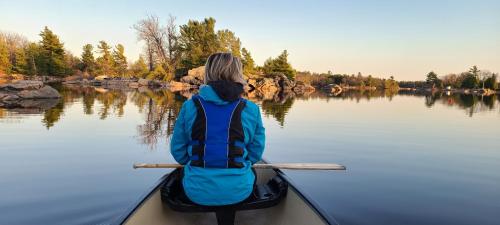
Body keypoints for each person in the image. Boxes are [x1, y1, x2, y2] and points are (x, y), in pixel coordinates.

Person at [170, 52, 265, 224]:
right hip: (239, 191)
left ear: (208, 72)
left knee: (184, 175)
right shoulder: (252, 109)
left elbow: (178, 152)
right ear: (238, 74)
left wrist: (193, 162)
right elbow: (255, 154)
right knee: (249, 172)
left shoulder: (189, 106)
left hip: (196, 191)